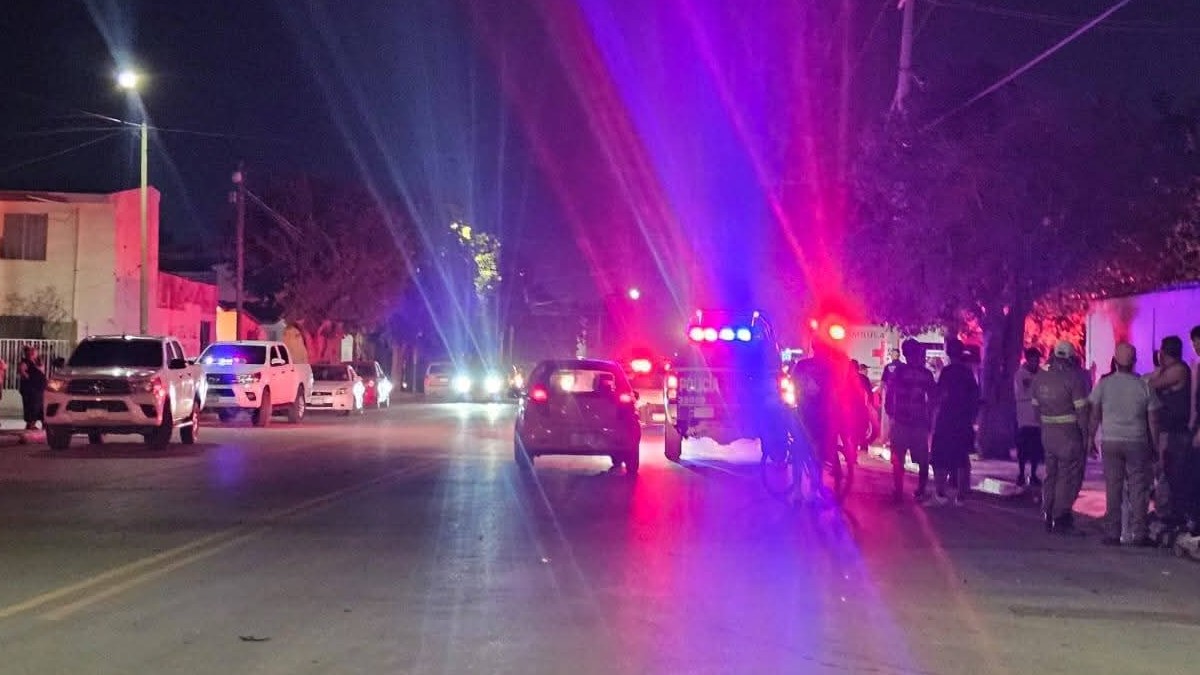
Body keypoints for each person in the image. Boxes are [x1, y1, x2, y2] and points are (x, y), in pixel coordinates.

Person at [1088, 342, 1160, 546]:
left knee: (1113, 487)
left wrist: (1090, 438)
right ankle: (1139, 534)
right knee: (1138, 488)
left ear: (1115, 361)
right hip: (1137, 441)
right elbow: (1153, 420)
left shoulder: (1104, 384)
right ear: (1134, 361)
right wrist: (1155, 446)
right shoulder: (1143, 385)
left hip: (1110, 440)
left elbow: (1094, 414)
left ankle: (1113, 533)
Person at [1032, 341, 1091, 534]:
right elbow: (1082, 412)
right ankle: (1061, 518)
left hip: (1048, 433)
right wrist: (1086, 436)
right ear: (1071, 357)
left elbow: (1035, 410)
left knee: (1051, 474)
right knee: (1067, 476)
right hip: (1069, 434)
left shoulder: (1040, 377)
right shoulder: (1074, 378)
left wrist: (1045, 427)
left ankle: (1047, 513)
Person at [1146, 336, 1191, 529]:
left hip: (1175, 431)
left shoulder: (1178, 370)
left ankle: (1167, 513)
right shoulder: (1170, 370)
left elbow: (1150, 384)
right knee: (1164, 470)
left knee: (1168, 472)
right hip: (1168, 429)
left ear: (1163, 352)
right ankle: (1166, 511)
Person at [930, 339, 980, 506]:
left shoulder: (947, 372)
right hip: (963, 420)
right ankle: (961, 495)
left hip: (946, 419)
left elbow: (939, 395)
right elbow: (975, 396)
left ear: (949, 353)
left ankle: (940, 492)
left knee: (940, 456)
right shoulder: (967, 373)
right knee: (962, 458)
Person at [885, 339, 936, 503]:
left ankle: (898, 490)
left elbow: (890, 395)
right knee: (922, 459)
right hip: (918, 421)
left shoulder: (898, 372)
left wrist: (891, 413)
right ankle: (920, 490)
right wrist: (929, 417)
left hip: (901, 420)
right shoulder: (926, 374)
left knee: (898, 458)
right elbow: (933, 397)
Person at [1014, 347, 1044, 487]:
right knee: (1023, 447)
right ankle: (1021, 473)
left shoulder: (1041, 374)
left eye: (1037, 360)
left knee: (1036, 448)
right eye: (1033, 359)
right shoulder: (1020, 374)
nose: (1035, 362)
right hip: (1024, 416)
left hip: (1038, 417)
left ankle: (1033, 474)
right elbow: (1023, 391)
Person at [17, 345, 47, 430]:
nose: (33, 353)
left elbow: (42, 371)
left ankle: (43, 423)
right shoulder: (26, 362)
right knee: (32, 406)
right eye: (32, 351)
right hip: (31, 389)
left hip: (39, 388)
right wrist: (27, 376)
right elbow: (21, 370)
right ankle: (31, 424)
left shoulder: (38, 362)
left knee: (41, 406)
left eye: (35, 351)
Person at [879, 348, 903, 446]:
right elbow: (883, 382)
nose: (893, 355)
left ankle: (892, 437)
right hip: (899, 396)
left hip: (892, 395)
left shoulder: (889, 367)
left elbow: (883, 382)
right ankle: (896, 438)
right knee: (897, 418)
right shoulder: (903, 366)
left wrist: (881, 393)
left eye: (893, 354)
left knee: (891, 417)